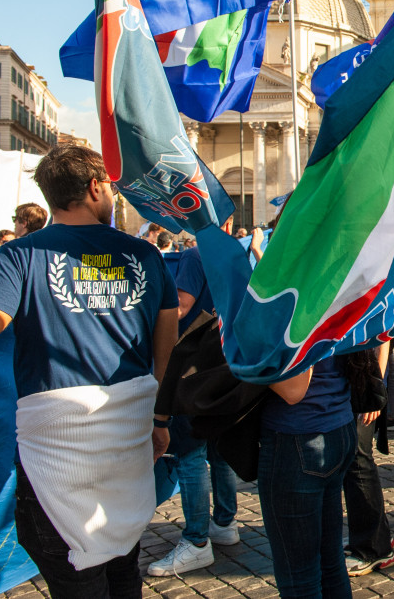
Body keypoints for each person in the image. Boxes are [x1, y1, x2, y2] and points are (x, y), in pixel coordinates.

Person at [0, 144, 177, 597]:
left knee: (78, 579)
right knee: (123, 565)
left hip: (56, 456)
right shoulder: (147, 258)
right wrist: (160, 422)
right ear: (94, 187)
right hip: (128, 443)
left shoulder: (19, 256)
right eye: (110, 186)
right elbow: (166, 358)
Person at [147, 221, 241, 577]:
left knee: (189, 454)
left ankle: (197, 539)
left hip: (194, 364)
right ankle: (225, 523)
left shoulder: (193, 255)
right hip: (226, 362)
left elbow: (182, 307)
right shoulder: (233, 252)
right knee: (219, 450)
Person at [259, 356, 357, 598]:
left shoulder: (296, 314)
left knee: (300, 577)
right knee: (330, 561)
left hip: (299, 432)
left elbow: (294, 389)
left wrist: (235, 349)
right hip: (336, 420)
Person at [343, 341, 394, 577]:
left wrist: (374, 385)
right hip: (351, 375)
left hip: (363, 378)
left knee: (358, 460)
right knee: (353, 459)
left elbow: (383, 336)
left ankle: (373, 548)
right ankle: (376, 536)